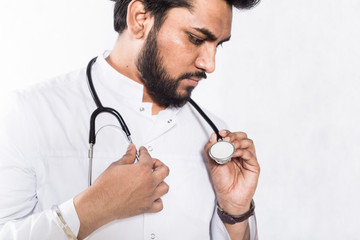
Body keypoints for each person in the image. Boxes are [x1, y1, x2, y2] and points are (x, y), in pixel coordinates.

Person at [0, 0, 261, 239]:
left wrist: (235, 212)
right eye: (195, 38)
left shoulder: (215, 137)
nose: (210, 63)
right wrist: (91, 210)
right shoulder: (29, 114)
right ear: (139, 19)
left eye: (218, 45)